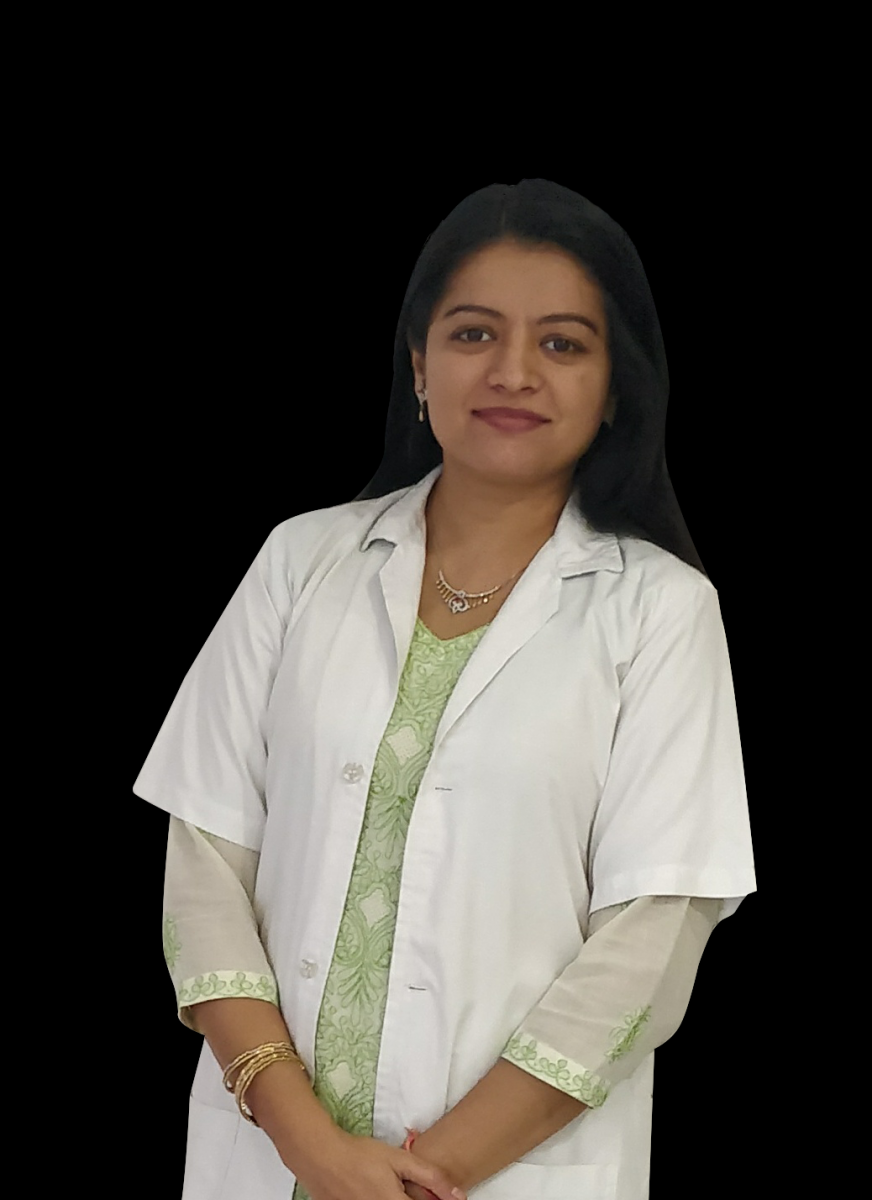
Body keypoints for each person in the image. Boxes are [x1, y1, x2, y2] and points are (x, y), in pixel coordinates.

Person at [134, 179, 757, 1200]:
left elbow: (650, 940)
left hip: (500, 1175)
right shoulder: (301, 562)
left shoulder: (661, 611)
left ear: (615, 387)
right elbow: (204, 867)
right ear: (419, 365)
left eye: (562, 344)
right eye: (473, 333)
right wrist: (307, 1143)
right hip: (271, 1159)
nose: (512, 371)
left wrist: (430, 1176)